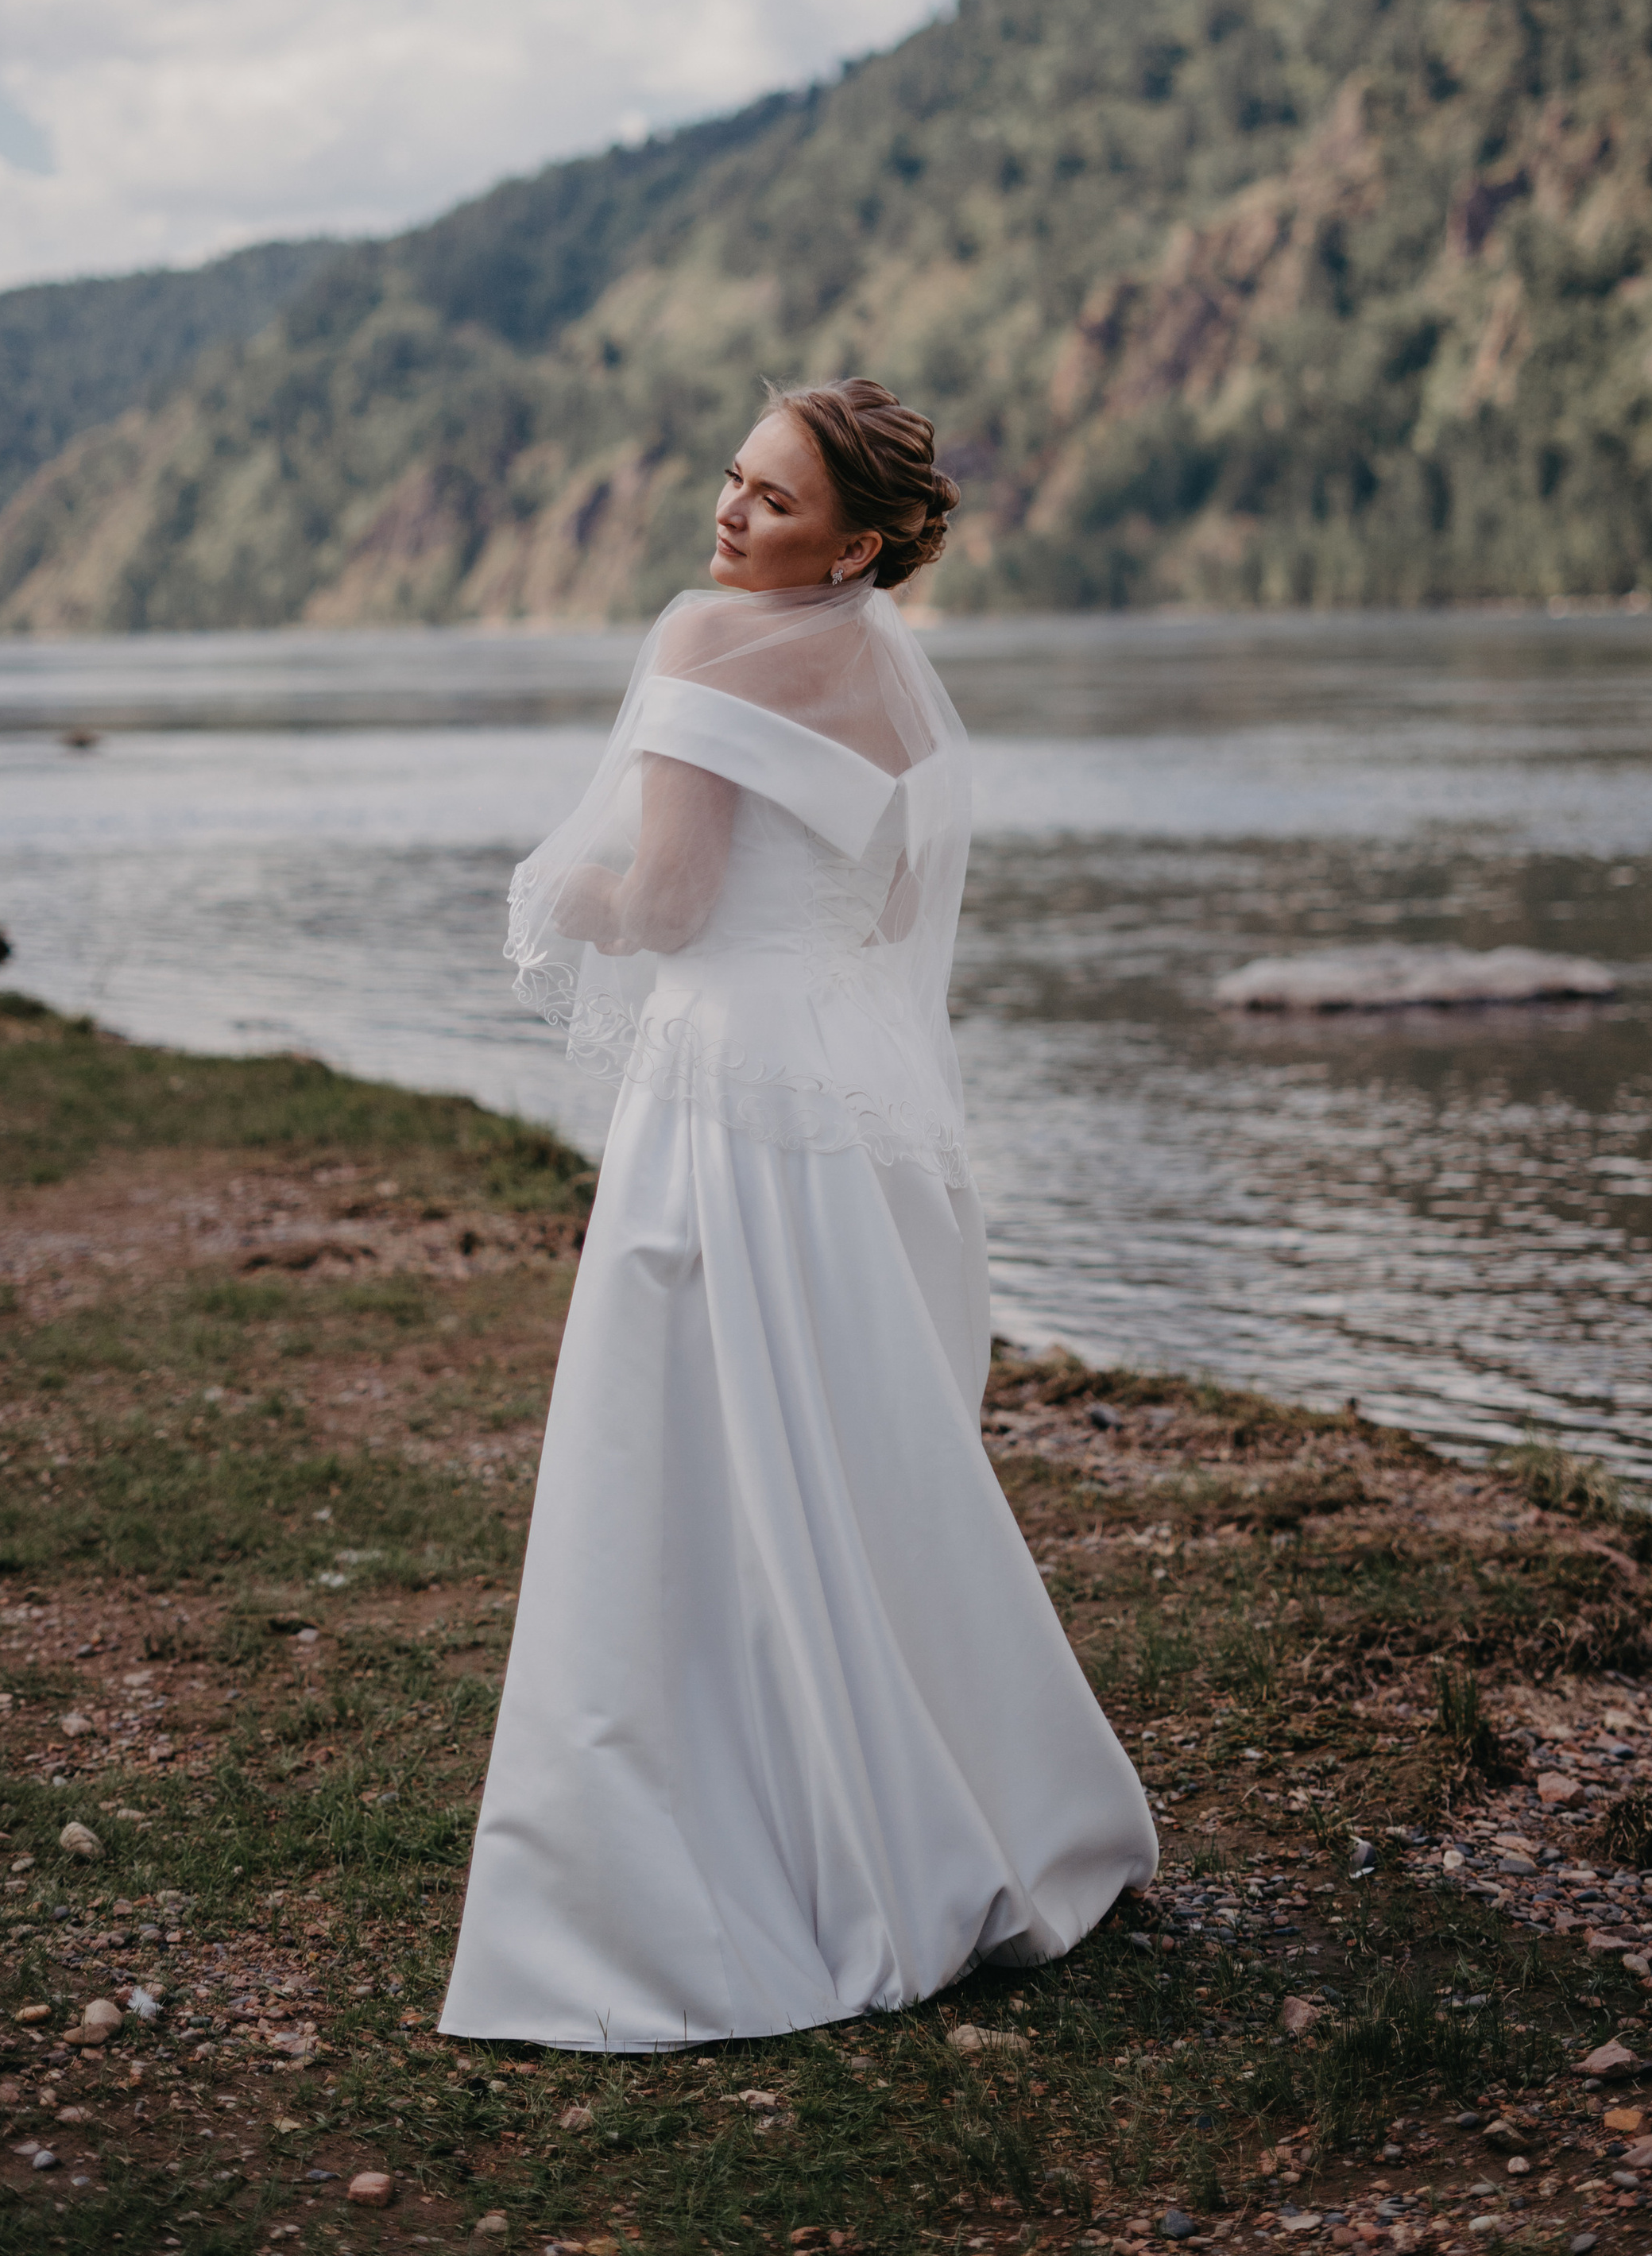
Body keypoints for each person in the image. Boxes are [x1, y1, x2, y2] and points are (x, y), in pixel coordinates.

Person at [439, 377, 1156, 2053]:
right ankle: (927, 1792)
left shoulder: (701, 644)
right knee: (854, 1457)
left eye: (769, 498)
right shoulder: (904, 689)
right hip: (853, 1094)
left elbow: (678, 900)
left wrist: (572, 891)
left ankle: (718, 1825)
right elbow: (887, 912)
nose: (729, 514)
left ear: (858, 537)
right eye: (731, 483)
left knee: (690, 1452)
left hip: (725, 1092)